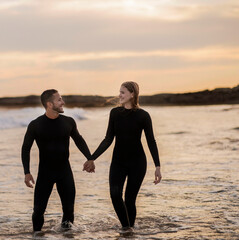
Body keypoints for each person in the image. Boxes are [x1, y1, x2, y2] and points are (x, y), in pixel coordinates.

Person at [83, 81, 162, 232]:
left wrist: (157, 166)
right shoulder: (115, 113)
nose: (119, 95)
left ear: (132, 94)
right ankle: (127, 228)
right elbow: (108, 139)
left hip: (137, 163)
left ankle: (128, 231)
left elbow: (151, 141)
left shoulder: (143, 116)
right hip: (118, 161)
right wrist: (92, 158)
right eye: (119, 92)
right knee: (114, 194)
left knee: (130, 199)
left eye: (123, 92)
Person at [21, 89, 93, 232]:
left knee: (69, 210)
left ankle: (66, 235)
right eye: (59, 100)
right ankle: (37, 235)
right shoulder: (35, 125)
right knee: (38, 211)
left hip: (64, 172)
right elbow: (25, 149)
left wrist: (90, 158)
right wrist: (27, 172)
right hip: (45, 173)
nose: (63, 102)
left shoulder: (68, 122)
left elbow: (79, 140)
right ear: (49, 104)